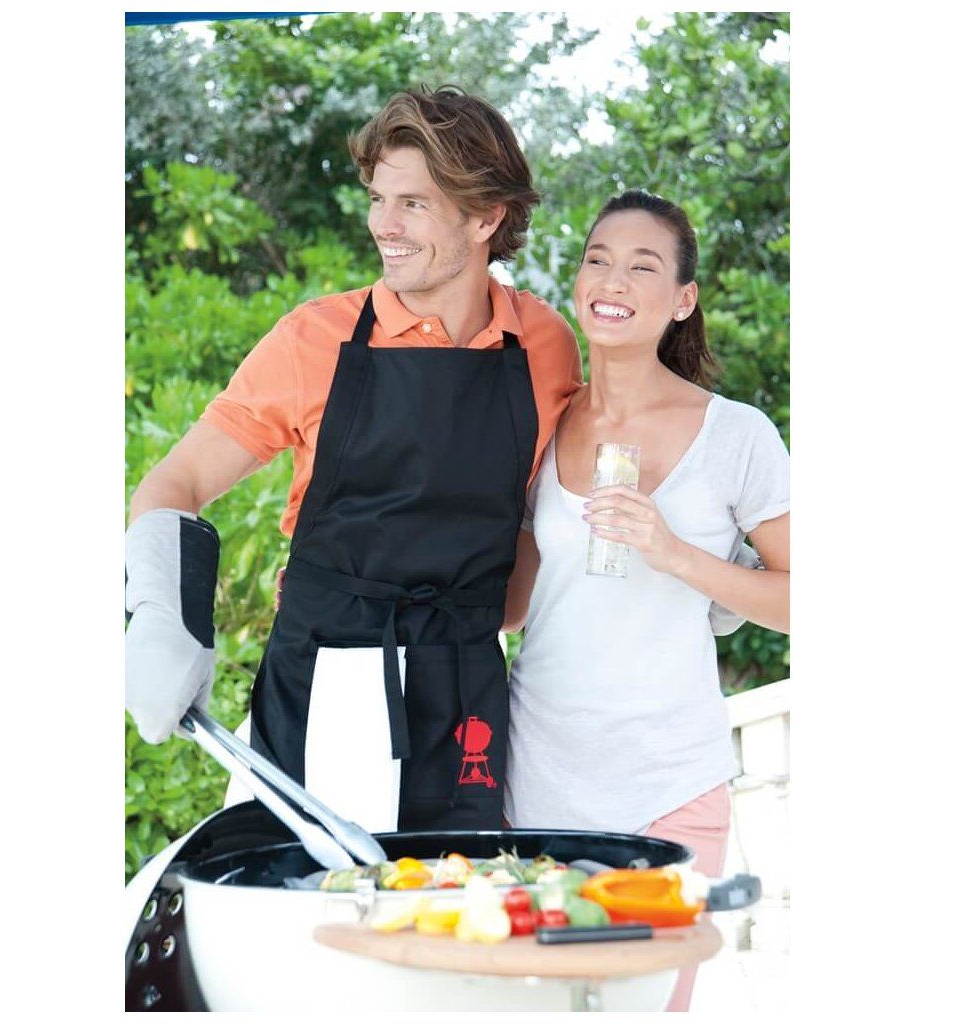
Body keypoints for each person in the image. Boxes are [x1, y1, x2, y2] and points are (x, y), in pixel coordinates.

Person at [124, 86, 585, 834]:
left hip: (466, 690)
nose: (383, 225)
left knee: (455, 897)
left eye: (412, 204)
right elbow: (175, 483)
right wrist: (163, 614)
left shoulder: (546, 345)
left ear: (485, 218)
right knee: (313, 896)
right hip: (325, 680)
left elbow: (539, 515)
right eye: (377, 199)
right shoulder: (313, 339)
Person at [501, 189, 790, 1011]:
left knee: (648, 1007)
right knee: (533, 1007)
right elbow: (510, 607)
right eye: (598, 259)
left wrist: (674, 553)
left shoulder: (737, 435)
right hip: (535, 781)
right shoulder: (542, 423)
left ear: (683, 299)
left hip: (668, 782)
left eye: (642, 266)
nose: (613, 280)